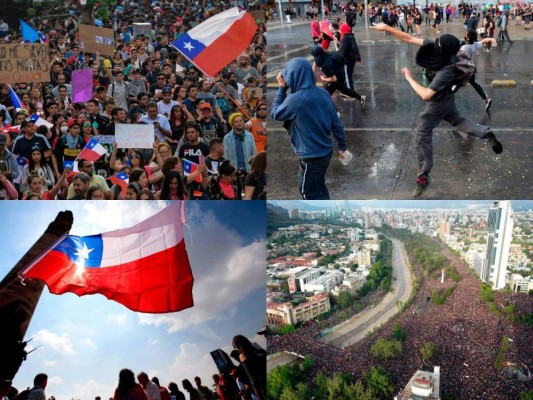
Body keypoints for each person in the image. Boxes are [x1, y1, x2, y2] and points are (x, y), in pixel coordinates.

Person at [371, 23, 503, 197]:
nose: (435, 42)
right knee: (458, 120)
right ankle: (486, 133)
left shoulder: (447, 71)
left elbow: (426, 95)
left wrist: (410, 79)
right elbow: (409, 38)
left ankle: (423, 177)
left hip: (437, 103)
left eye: (438, 42)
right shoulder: (442, 49)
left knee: (422, 133)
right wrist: (387, 27)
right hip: (448, 99)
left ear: (443, 50)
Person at [271, 58, 348, 200]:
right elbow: (336, 122)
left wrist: (282, 88)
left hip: (311, 157)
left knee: (307, 192)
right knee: (319, 186)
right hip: (325, 152)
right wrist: (342, 146)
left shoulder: (294, 100)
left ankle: (321, 220)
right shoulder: (323, 93)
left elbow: (275, 113)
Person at [311, 45, 367, 110]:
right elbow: (314, 67)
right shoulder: (324, 55)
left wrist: (324, 79)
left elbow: (334, 79)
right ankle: (361, 98)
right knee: (344, 90)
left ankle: (335, 113)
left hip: (337, 78)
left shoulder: (327, 65)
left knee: (325, 94)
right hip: (339, 73)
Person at [456, 29, 497, 111]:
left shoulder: (464, 48)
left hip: (464, 70)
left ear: (468, 38)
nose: (464, 34)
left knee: (455, 85)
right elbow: (484, 40)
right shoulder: (474, 45)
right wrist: (492, 39)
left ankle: (442, 101)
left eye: (466, 34)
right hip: (470, 68)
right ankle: (486, 98)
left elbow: (458, 59)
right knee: (474, 84)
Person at [338, 23, 362, 93]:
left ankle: (350, 92)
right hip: (352, 59)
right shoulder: (351, 36)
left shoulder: (345, 38)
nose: (339, 31)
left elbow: (341, 51)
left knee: (347, 76)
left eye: (340, 29)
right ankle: (348, 89)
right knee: (349, 75)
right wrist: (358, 57)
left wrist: (337, 58)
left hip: (347, 59)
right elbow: (355, 47)